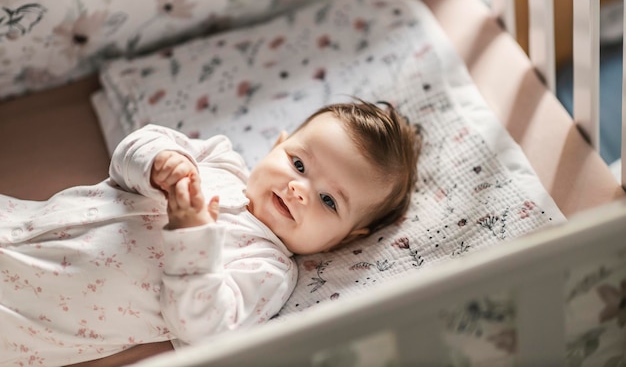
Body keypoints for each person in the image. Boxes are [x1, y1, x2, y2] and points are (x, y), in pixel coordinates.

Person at [0, 100, 421, 366]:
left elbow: (205, 332)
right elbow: (132, 152)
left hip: (30, 318)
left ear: (347, 237)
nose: (299, 190)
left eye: (329, 201)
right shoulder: (218, 160)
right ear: (279, 142)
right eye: (298, 164)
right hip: (20, 219)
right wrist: (159, 160)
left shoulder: (268, 268)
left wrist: (192, 239)